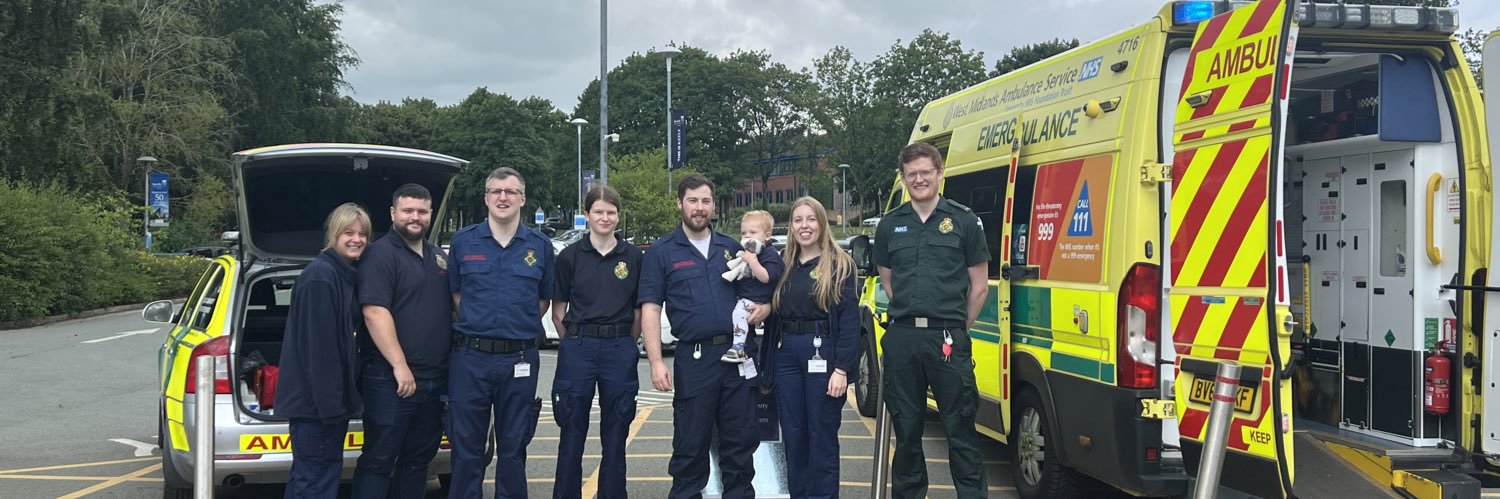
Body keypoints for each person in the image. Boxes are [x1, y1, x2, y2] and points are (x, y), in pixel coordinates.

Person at [639, 174, 768, 499]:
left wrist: (765, 307)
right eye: (693, 200)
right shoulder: (661, 252)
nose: (699, 207)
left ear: (713, 205)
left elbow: (758, 289)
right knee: (690, 446)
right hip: (695, 360)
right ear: (679, 203)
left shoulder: (732, 247)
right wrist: (656, 362)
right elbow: (651, 308)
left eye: (706, 201)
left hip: (738, 357)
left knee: (740, 446)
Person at [873, 142, 990, 498]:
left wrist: (955, 328)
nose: (919, 179)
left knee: (961, 431)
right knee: (907, 434)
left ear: (940, 173)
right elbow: (889, 281)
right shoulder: (890, 225)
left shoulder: (964, 221)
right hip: (904, 339)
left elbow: (979, 287)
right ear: (903, 178)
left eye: (926, 172)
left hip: (947, 339)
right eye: (912, 174)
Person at [446, 167, 555, 498]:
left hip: (519, 359)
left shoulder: (540, 246)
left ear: (522, 198)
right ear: (486, 198)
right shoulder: (463, 242)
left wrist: (514, 327)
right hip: (471, 359)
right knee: (467, 450)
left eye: (510, 192)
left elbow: (543, 300)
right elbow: (456, 296)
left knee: (513, 449)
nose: (502, 197)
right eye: (496, 191)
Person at [353, 183, 452, 499]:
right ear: (393, 213)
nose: (415, 217)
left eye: (422, 211)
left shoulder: (438, 257)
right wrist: (399, 366)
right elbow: (374, 312)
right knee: (378, 461)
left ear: (431, 214)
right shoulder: (379, 255)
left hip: (434, 381)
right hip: (391, 380)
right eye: (408, 210)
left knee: (418, 461)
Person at [759, 197, 859, 499]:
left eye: (811, 219)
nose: (805, 226)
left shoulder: (840, 264)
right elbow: (769, 307)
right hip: (786, 354)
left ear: (822, 223)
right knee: (793, 436)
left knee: (821, 435)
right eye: (798, 220)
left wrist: (842, 368)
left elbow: (850, 321)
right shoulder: (782, 264)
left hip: (822, 352)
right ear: (791, 226)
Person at [549, 186, 642, 499]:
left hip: (619, 347)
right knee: (571, 432)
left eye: (611, 212)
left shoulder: (633, 257)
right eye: (598, 212)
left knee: (616, 434)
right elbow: (558, 311)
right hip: (579, 348)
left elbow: (638, 311)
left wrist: (626, 343)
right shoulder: (570, 257)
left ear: (618, 216)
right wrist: (576, 341)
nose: (605, 218)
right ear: (586, 215)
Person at [277, 202, 371, 499]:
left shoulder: (341, 273)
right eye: (348, 233)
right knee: (315, 481)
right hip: (316, 408)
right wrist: (331, 408)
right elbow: (320, 350)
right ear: (334, 234)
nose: (357, 239)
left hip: (323, 405)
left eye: (363, 234)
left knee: (312, 477)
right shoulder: (321, 277)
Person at [722, 210, 782, 363]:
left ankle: (738, 347)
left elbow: (767, 277)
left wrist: (753, 261)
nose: (747, 236)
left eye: (753, 232)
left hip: (757, 298)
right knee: (738, 314)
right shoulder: (747, 252)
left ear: (767, 236)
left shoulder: (770, 254)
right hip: (744, 294)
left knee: (738, 314)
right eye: (743, 233)